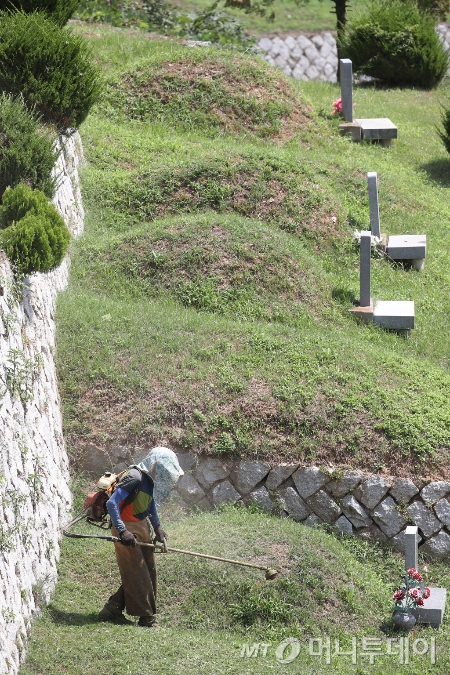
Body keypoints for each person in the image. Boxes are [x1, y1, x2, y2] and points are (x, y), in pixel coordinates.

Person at [98, 446, 184, 626]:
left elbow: (150, 504)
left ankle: (112, 609)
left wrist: (158, 527)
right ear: (155, 465)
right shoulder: (135, 477)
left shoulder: (150, 480)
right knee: (137, 571)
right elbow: (112, 504)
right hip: (126, 527)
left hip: (141, 526)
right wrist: (122, 531)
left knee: (148, 570)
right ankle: (146, 618)